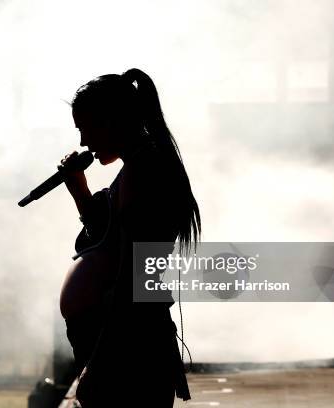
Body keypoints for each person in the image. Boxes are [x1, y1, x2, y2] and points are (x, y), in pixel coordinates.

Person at [58, 68, 201, 407]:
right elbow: (108, 240)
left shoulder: (146, 170)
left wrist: (100, 360)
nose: (83, 142)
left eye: (85, 129)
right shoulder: (137, 167)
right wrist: (79, 190)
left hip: (128, 347)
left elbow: (137, 277)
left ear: (110, 120)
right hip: (121, 341)